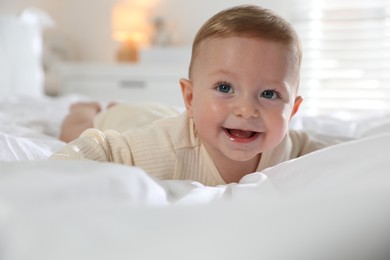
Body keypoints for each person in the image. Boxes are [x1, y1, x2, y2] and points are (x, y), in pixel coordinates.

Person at [51, 5, 327, 186]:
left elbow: (342, 153)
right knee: (78, 127)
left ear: (292, 111)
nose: (246, 109)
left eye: (269, 93)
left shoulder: (288, 146)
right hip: (131, 121)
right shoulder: (161, 150)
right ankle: (88, 108)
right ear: (191, 98)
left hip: (169, 118)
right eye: (225, 88)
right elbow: (99, 149)